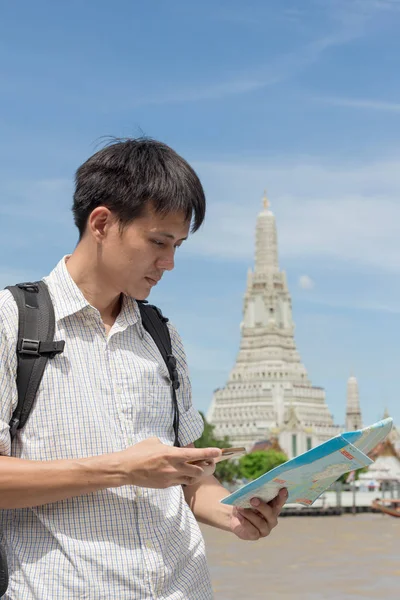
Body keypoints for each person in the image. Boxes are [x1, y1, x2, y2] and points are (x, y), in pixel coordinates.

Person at [0, 138, 287, 599]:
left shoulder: (162, 336)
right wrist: (122, 470)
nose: (168, 264)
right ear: (101, 223)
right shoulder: (12, 323)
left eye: (177, 246)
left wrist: (234, 513)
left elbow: (191, 479)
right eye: (158, 242)